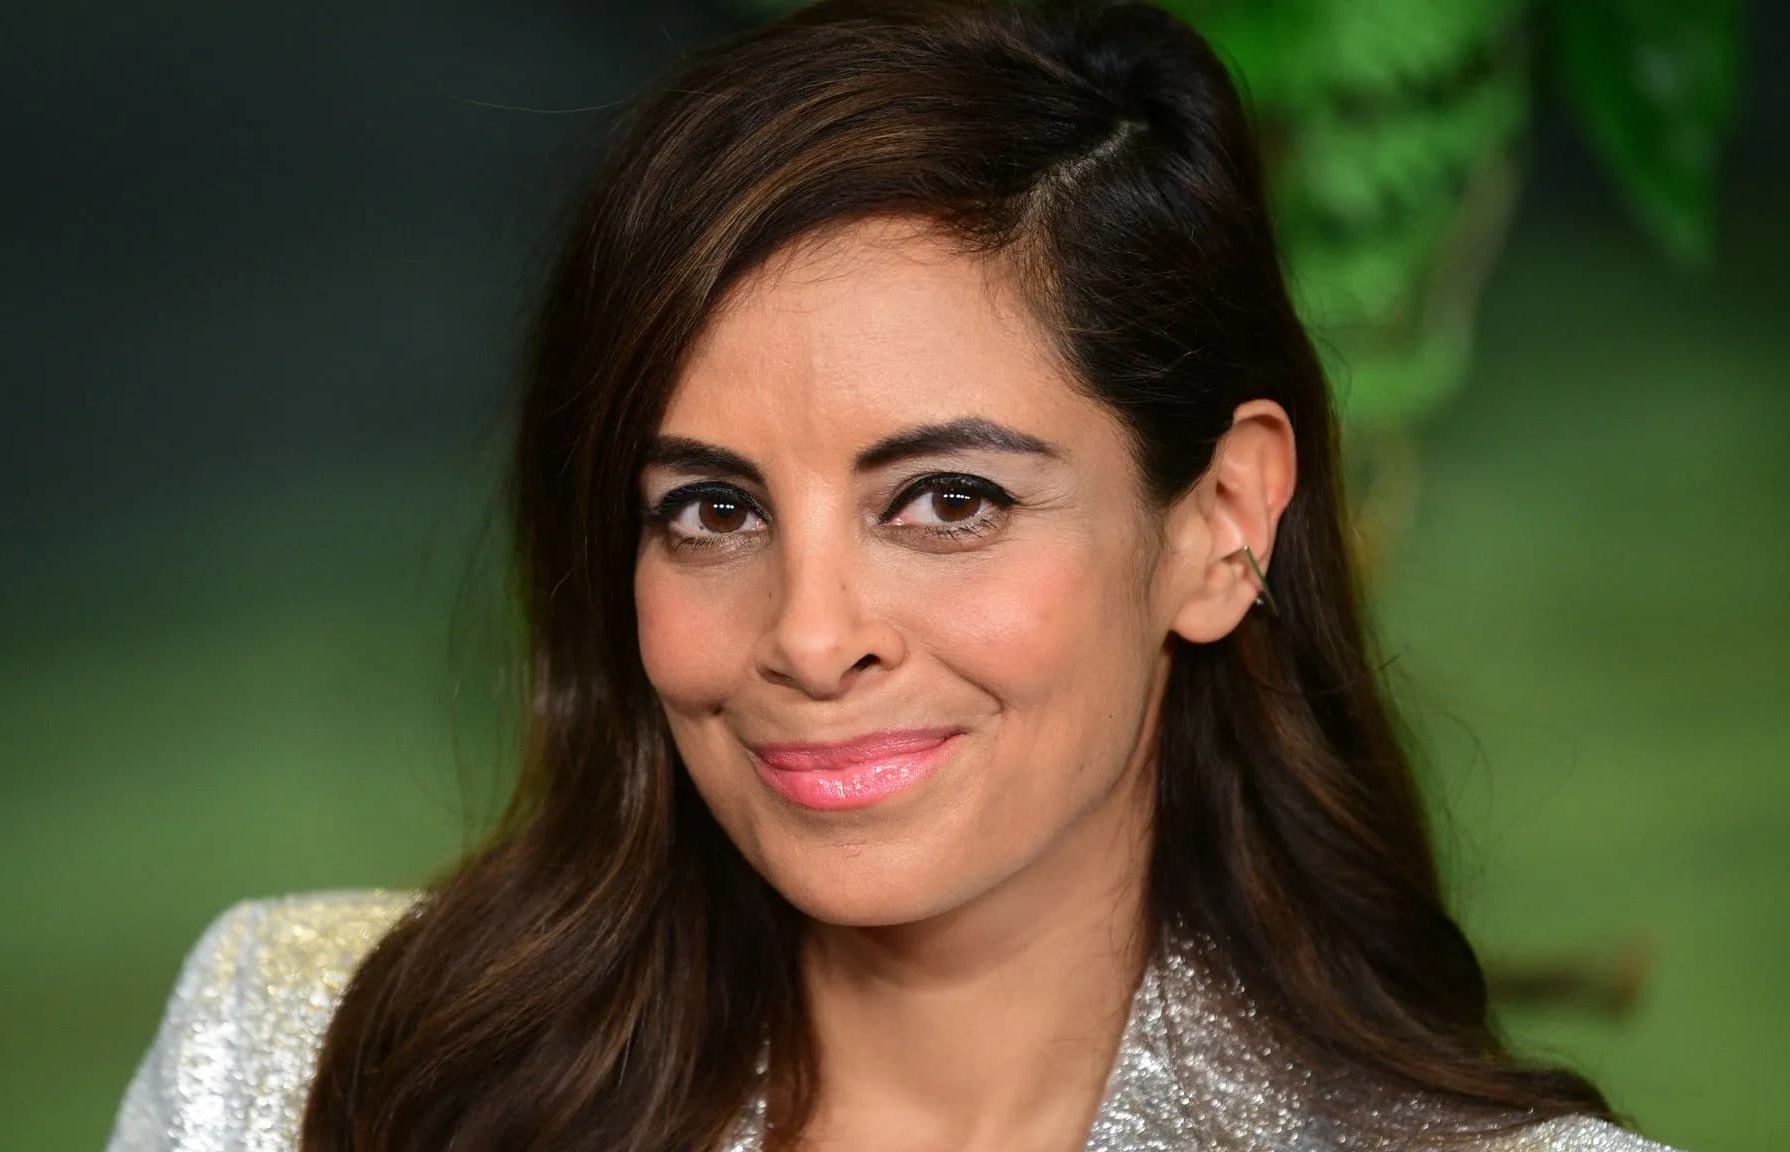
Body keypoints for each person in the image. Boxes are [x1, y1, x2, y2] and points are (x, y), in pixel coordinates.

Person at [106, 2, 1676, 1150]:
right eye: (711, 511)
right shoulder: (300, 1061)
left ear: (1220, 523)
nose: (810, 636)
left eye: (946, 501)